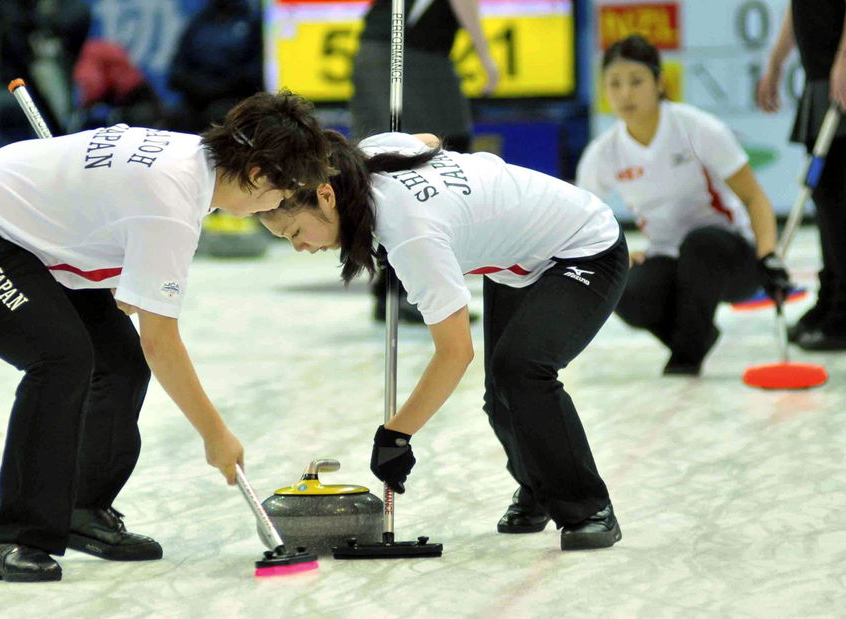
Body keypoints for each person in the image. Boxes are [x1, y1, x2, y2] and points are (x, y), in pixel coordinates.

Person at [0, 92, 332, 582]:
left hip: (41, 240)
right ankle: (16, 536)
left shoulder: (194, 160)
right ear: (260, 174)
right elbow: (161, 343)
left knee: (119, 362)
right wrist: (215, 434)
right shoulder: (172, 202)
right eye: (282, 193)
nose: (279, 205)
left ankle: (82, 509)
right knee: (62, 359)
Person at [261, 129, 627, 551]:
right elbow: (429, 139)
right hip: (519, 254)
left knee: (521, 370)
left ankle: (588, 507)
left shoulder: (412, 236)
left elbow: (455, 353)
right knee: (502, 392)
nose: (300, 248)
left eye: (294, 232)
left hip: (584, 247)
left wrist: (396, 434)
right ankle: (539, 486)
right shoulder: (364, 157)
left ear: (326, 196)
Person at [577, 35, 791, 375]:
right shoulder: (603, 154)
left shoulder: (697, 129)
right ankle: (696, 336)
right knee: (621, 287)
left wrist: (768, 254)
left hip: (728, 255)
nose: (625, 94)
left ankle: (685, 360)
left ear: (660, 82)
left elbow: (754, 198)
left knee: (701, 244)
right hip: (668, 257)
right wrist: (617, 255)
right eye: (614, 84)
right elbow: (580, 223)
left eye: (636, 81)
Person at [351, 0, 498, 324]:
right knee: (410, 165)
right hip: (401, 57)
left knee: (418, 162)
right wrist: (486, 57)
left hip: (407, 55)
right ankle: (401, 292)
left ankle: (397, 291)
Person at [757, 2, 846, 351]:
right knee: (827, 198)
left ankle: (843, 315)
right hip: (822, 78)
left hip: (838, 76)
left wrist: (843, 56)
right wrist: (777, 62)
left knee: (840, 202)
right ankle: (832, 300)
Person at [167, 0, 264, 133]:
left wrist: (216, 90)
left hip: (234, 97)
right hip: (195, 97)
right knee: (175, 117)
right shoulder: (198, 20)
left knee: (219, 115)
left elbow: (254, 71)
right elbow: (177, 69)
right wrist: (197, 87)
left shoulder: (252, 20)